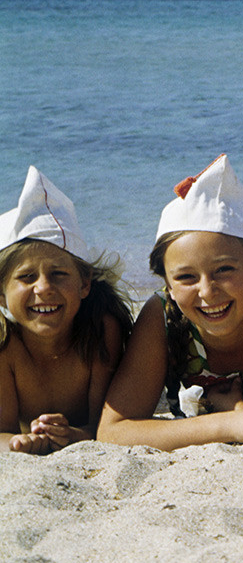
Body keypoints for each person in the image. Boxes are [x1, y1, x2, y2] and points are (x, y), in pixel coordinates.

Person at [99, 155, 243, 450]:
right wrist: (231, 424)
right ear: (168, 286)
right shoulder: (162, 314)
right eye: (186, 277)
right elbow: (113, 432)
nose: (207, 291)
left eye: (224, 270)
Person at [0, 167, 132, 454]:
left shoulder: (100, 330)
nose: (44, 288)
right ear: (1, 294)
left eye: (59, 274)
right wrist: (20, 442)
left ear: (85, 283)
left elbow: (104, 427)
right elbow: (2, 431)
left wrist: (75, 435)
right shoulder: (6, 346)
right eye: (26, 277)